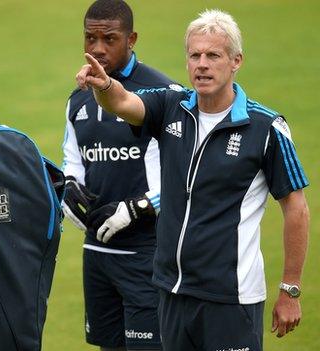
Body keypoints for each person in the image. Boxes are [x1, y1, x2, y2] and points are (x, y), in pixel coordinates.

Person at [76, 9, 309, 351]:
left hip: (231, 298)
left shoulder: (266, 128)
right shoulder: (171, 106)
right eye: (194, 55)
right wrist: (104, 85)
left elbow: (297, 209)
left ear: (235, 61)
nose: (202, 64)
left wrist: (290, 289)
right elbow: (124, 102)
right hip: (171, 292)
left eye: (213, 55)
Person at [62, 1, 178, 350]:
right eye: (90, 38)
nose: (97, 48)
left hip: (148, 255)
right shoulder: (77, 98)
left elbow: (179, 178)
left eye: (109, 38)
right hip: (97, 252)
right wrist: (68, 187)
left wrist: (136, 207)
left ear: (131, 39)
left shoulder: (163, 94)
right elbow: (73, 158)